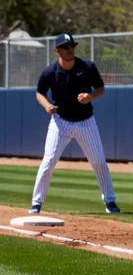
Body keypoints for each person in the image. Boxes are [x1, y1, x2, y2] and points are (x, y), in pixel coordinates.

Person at [28, 33, 119, 215]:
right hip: (60, 122)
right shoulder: (50, 72)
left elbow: (100, 88)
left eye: (72, 46)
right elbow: (39, 93)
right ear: (57, 50)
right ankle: (36, 203)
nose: (70, 49)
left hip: (86, 121)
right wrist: (47, 105)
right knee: (49, 161)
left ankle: (110, 201)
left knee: (99, 162)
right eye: (66, 46)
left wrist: (90, 96)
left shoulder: (87, 67)